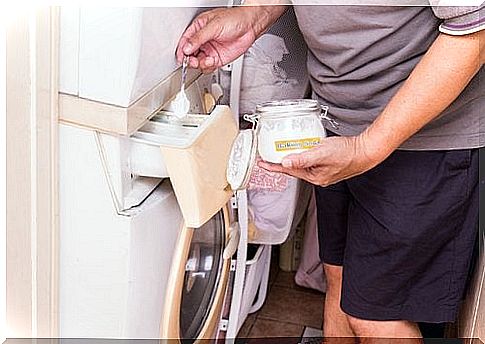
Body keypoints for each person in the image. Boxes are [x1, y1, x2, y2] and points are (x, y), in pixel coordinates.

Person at [176, 1, 484, 340]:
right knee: (337, 279)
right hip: (340, 120)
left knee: (375, 318)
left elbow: (475, 29)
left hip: (422, 140)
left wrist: (367, 147)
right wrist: (254, 15)